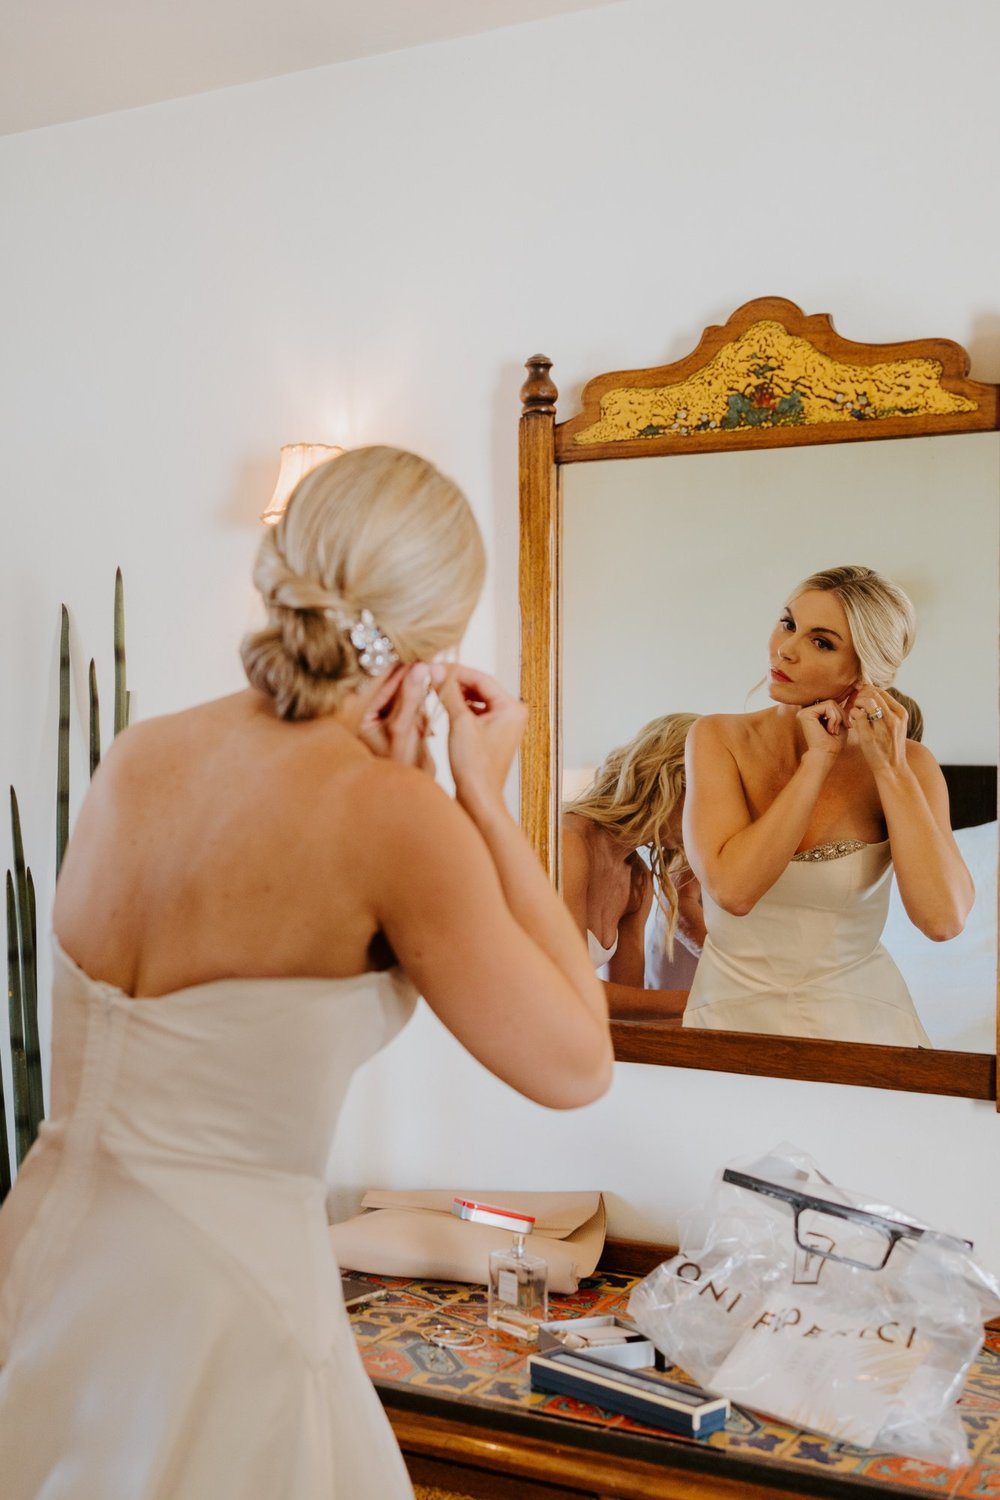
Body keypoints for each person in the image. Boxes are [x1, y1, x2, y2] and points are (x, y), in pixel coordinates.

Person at [0, 446, 612, 1499]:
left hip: (49, 1260)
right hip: (221, 1305)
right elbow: (576, 1064)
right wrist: (481, 796)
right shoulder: (395, 820)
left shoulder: (138, 756)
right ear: (433, 645)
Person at [682, 564, 974, 1044]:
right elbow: (734, 891)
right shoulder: (717, 738)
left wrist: (890, 769)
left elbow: (943, 921)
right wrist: (818, 761)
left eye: (822, 642)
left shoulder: (912, 766)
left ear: (864, 669)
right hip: (729, 1023)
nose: (786, 649)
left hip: (866, 1029)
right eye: (788, 623)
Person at [562, 713, 704, 1021]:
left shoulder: (637, 881)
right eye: (707, 799)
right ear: (672, 782)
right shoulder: (569, 843)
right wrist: (700, 1001)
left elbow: (629, 1012)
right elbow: (569, 987)